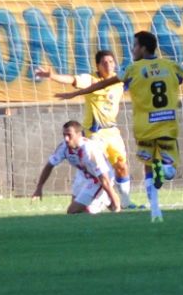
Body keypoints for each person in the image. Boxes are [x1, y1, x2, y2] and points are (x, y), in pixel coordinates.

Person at [57, 31, 183, 222]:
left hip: (144, 128)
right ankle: (166, 169)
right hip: (166, 124)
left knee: (147, 168)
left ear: (143, 48)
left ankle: (155, 210)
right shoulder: (169, 65)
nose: (132, 49)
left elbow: (103, 84)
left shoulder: (133, 69)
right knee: (169, 168)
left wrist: (74, 94)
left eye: (135, 45)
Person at [35, 50, 137, 209]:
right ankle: (96, 199)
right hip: (94, 133)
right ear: (97, 65)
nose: (108, 65)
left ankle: (125, 201)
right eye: (104, 62)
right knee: (96, 167)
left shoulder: (119, 80)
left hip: (112, 131)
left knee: (121, 166)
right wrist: (52, 76)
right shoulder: (90, 79)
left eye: (111, 62)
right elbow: (72, 79)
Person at [31, 120, 121, 214]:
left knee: (74, 210)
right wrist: (39, 187)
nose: (66, 138)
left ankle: (108, 202)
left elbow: (104, 179)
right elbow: (49, 165)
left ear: (79, 135)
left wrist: (115, 204)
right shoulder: (63, 147)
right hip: (84, 175)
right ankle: (105, 200)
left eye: (69, 135)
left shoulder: (90, 150)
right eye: (64, 135)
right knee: (75, 211)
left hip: (99, 179)